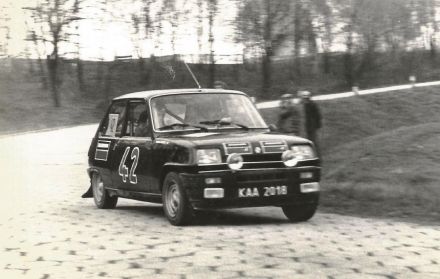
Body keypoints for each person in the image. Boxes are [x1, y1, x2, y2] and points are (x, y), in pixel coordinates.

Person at [298, 90, 322, 155]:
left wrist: (317, 125)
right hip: (307, 126)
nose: (305, 99)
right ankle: (311, 153)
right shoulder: (305, 105)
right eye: (304, 98)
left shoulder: (312, 105)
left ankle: (316, 154)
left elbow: (317, 116)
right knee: (308, 140)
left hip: (311, 126)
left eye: (306, 98)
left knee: (313, 141)